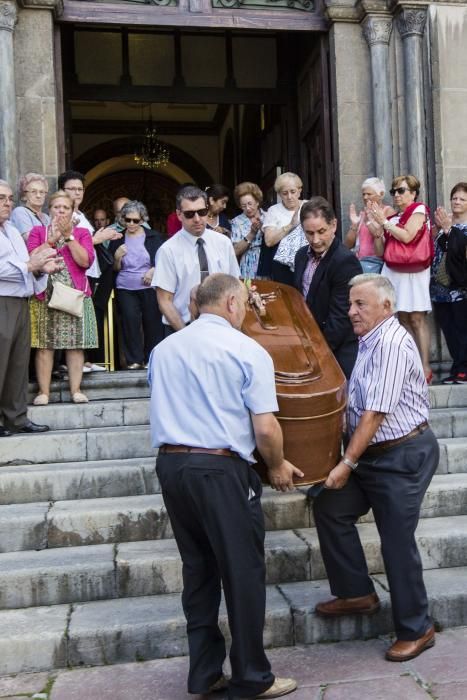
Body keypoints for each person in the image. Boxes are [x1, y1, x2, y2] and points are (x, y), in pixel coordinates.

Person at [149, 273, 300, 699]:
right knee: (242, 572)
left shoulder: (163, 349)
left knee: (198, 571)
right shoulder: (245, 348)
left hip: (172, 467)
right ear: (234, 302)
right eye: (247, 305)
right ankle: (252, 675)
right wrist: (277, 465)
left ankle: (204, 673)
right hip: (219, 468)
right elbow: (266, 427)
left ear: (199, 303)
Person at [313, 274, 439, 662]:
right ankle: (357, 593)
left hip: (402, 456)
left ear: (386, 307)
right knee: (330, 507)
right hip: (373, 455)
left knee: (396, 540)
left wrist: (346, 462)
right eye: (350, 303)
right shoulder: (369, 339)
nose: (351, 311)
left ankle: (418, 628)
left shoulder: (391, 343)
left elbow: (375, 413)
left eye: (359, 304)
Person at [0, 179, 60, 437]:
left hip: (21, 301)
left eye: (10, 198)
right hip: (2, 300)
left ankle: (17, 418)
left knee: (17, 363)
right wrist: (29, 266)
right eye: (2, 198)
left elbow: (26, 264)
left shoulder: (11, 229)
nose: (7, 203)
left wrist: (40, 269)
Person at [27, 190, 98, 405]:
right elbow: (31, 258)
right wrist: (52, 239)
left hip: (75, 294)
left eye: (65, 207)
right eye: (57, 207)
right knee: (44, 345)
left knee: (75, 344)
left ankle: (76, 390)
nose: (61, 211)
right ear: (50, 210)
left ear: (72, 210)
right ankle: (43, 392)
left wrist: (68, 237)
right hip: (44, 294)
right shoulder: (38, 231)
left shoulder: (83, 232)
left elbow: (85, 261)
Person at [152, 185, 239, 336]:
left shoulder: (223, 243)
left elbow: (235, 286)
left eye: (202, 212)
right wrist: (186, 335)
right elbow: (165, 301)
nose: (197, 219)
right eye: (190, 214)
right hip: (181, 327)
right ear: (179, 214)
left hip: (222, 328)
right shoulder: (168, 250)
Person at [370, 175, 433, 382]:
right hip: (394, 270)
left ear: (413, 193)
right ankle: (411, 363)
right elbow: (381, 252)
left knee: (416, 317)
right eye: (394, 191)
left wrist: (384, 224)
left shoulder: (419, 210)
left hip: (415, 271)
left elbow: (407, 236)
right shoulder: (392, 219)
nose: (396, 195)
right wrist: (377, 232)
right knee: (402, 318)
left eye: (401, 191)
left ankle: (424, 367)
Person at [294, 197, 362, 379]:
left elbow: (341, 317)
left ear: (334, 225)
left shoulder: (345, 261)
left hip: (337, 351)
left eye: (321, 231)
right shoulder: (301, 256)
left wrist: (317, 352)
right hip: (309, 346)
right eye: (309, 233)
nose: (315, 240)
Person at [110, 200, 164, 369]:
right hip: (125, 287)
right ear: (122, 219)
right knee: (129, 322)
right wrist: (117, 257)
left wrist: (153, 270)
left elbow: (164, 261)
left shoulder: (154, 237)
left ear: (143, 220)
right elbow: (114, 269)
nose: (131, 224)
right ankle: (134, 360)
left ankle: (151, 359)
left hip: (149, 287)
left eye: (136, 220)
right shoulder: (117, 239)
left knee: (152, 322)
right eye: (128, 220)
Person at [431, 182, 467, 384]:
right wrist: (443, 229)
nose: (457, 202)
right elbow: (441, 249)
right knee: (448, 328)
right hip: (440, 287)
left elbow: (459, 251)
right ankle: (457, 367)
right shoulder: (446, 223)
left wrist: (449, 230)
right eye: (454, 198)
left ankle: (464, 368)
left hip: (460, 288)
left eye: (462, 199)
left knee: (462, 328)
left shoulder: (459, 227)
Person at [263, 172, 306, 285]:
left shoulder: (309, 206)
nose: (289, 197)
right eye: (284, 193)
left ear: (300, 190)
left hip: (307, 260)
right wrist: (290, 225)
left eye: (293, 191)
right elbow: (269, 241)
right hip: (282, 266)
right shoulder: (273, 211)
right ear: (279, 194)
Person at [344, 177, 393, 273]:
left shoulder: (388, 211)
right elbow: (347, 245)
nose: (365, 197)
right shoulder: (363, 213)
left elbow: (381, 237)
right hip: (360, 263)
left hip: (378, 264)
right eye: (363, 194)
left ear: (381, 194)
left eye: (369, 194)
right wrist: (354, 224)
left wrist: (369, 222)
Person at [230, 181, 266, 279]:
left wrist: (264, 230)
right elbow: (235, 251)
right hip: (248, 264)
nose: (248, 208)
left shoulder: (268, 216)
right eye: (243, 205)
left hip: (267, 262)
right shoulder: (237, 221)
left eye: (250, 204)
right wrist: (252, 234)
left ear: (257, 202)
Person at [10, 172, 50, 240]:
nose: (38, 195)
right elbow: (31, 239)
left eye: (42, 192)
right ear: (24, 196)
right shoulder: (20, 212)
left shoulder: (47, 218)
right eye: (33, 191)